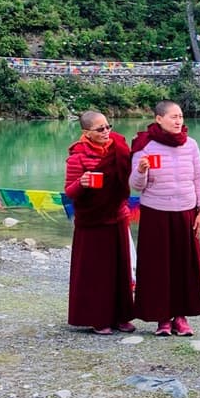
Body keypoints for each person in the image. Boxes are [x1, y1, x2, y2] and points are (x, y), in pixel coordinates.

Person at [129, 101, 200, 337]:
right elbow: (135, 186)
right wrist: (141, 170)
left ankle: (181, 317)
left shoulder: (191, 145)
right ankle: (162, 318)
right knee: (158, 266)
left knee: (185, 265)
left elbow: (199, 179)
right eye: (173, 117)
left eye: (181, 117)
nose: (178, 121)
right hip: (156, 211)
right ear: (159, 119)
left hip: (186, 210)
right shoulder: (144, 146)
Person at [64, 111, 136, 335]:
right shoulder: (78, 156)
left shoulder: (120, 148)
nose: (106, 132)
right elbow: (69, 192)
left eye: (108, 126)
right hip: (92, 220)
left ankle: (122, 317)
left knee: (121, 269)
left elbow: (128, 179)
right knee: (96, 271)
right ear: (86, 133)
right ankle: (98, 318)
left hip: (117, 215)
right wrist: (82, 182)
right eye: (100, 129)